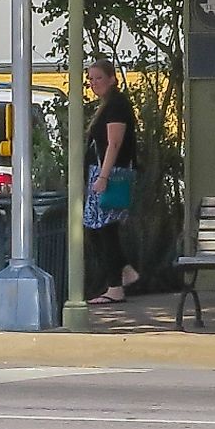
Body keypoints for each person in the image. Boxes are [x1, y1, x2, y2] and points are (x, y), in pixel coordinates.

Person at [82, 57, 140, 304]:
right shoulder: (108, 104)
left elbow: (114, 143)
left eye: (99, 78)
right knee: (104, 228)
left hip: (110, 173)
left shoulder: (116, 105)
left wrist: (103, 176)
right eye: (91, 79)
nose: (95, 83)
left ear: (112, 79)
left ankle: (115, 286)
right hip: (104, 171)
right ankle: (124, 271)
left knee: (101, 228)